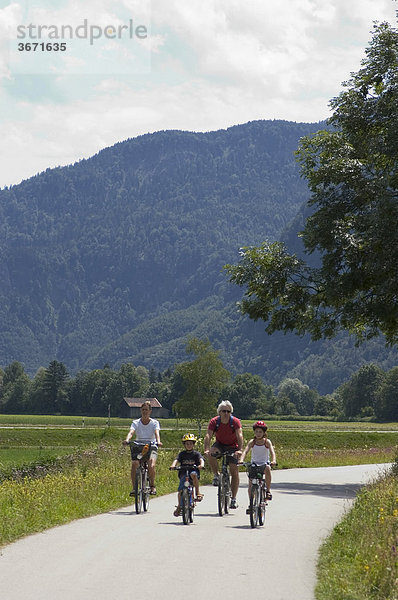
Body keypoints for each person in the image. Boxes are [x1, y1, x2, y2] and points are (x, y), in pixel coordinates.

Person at [203, 400, 244, 509]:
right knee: (212, 453)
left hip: (232, 445)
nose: (226, 413)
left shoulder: (235, 422)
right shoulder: (214, 422)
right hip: (220, 444)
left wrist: (240, 450)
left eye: (228, 411)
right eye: (223, 411)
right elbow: (208, 435)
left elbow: (240, 435)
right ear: (219, 412)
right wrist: (206, 449)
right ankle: (216, 475)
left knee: (234, 470)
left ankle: (233, 499)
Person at [123, 401, 162, 495]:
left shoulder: (154, 423)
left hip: (151, 446)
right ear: (141, 410)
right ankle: (134, 488)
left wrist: (158, 441)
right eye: (143, 410)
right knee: (135, 464)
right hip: (139, 446)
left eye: (146, 410)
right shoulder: (136, 422)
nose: (145, 412)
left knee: (151, 465)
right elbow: (131, 432)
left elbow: (157, 433)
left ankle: (152, 486)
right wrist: (127, 440)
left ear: (150, 411)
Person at [240, 420, 276, 511]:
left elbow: (272, 452)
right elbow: (245, 451)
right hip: (254, 464)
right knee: (251, 485)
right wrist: (241, 460)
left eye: (260, 432)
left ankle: (267, 491)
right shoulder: (252, 442)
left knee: (267, 468)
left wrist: (273, 460)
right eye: (256, 432)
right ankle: (251, 504)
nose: (258, 434)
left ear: (264, 433)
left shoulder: (267, 442)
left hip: (264, 463)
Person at [170, 433, 205, 517]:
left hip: (193, 473)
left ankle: (197, 492)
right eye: (187, 444)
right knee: (180, 491)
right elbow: (176, 460)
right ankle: (179, 506)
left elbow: (201, 459)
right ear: (184, 445)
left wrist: (201, 465)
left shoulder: (196, 454)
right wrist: (173, 465)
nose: (189, 445)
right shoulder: (182, 454)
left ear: (193, 444)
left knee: (193, 474)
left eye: (190, 444)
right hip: (183, 474)